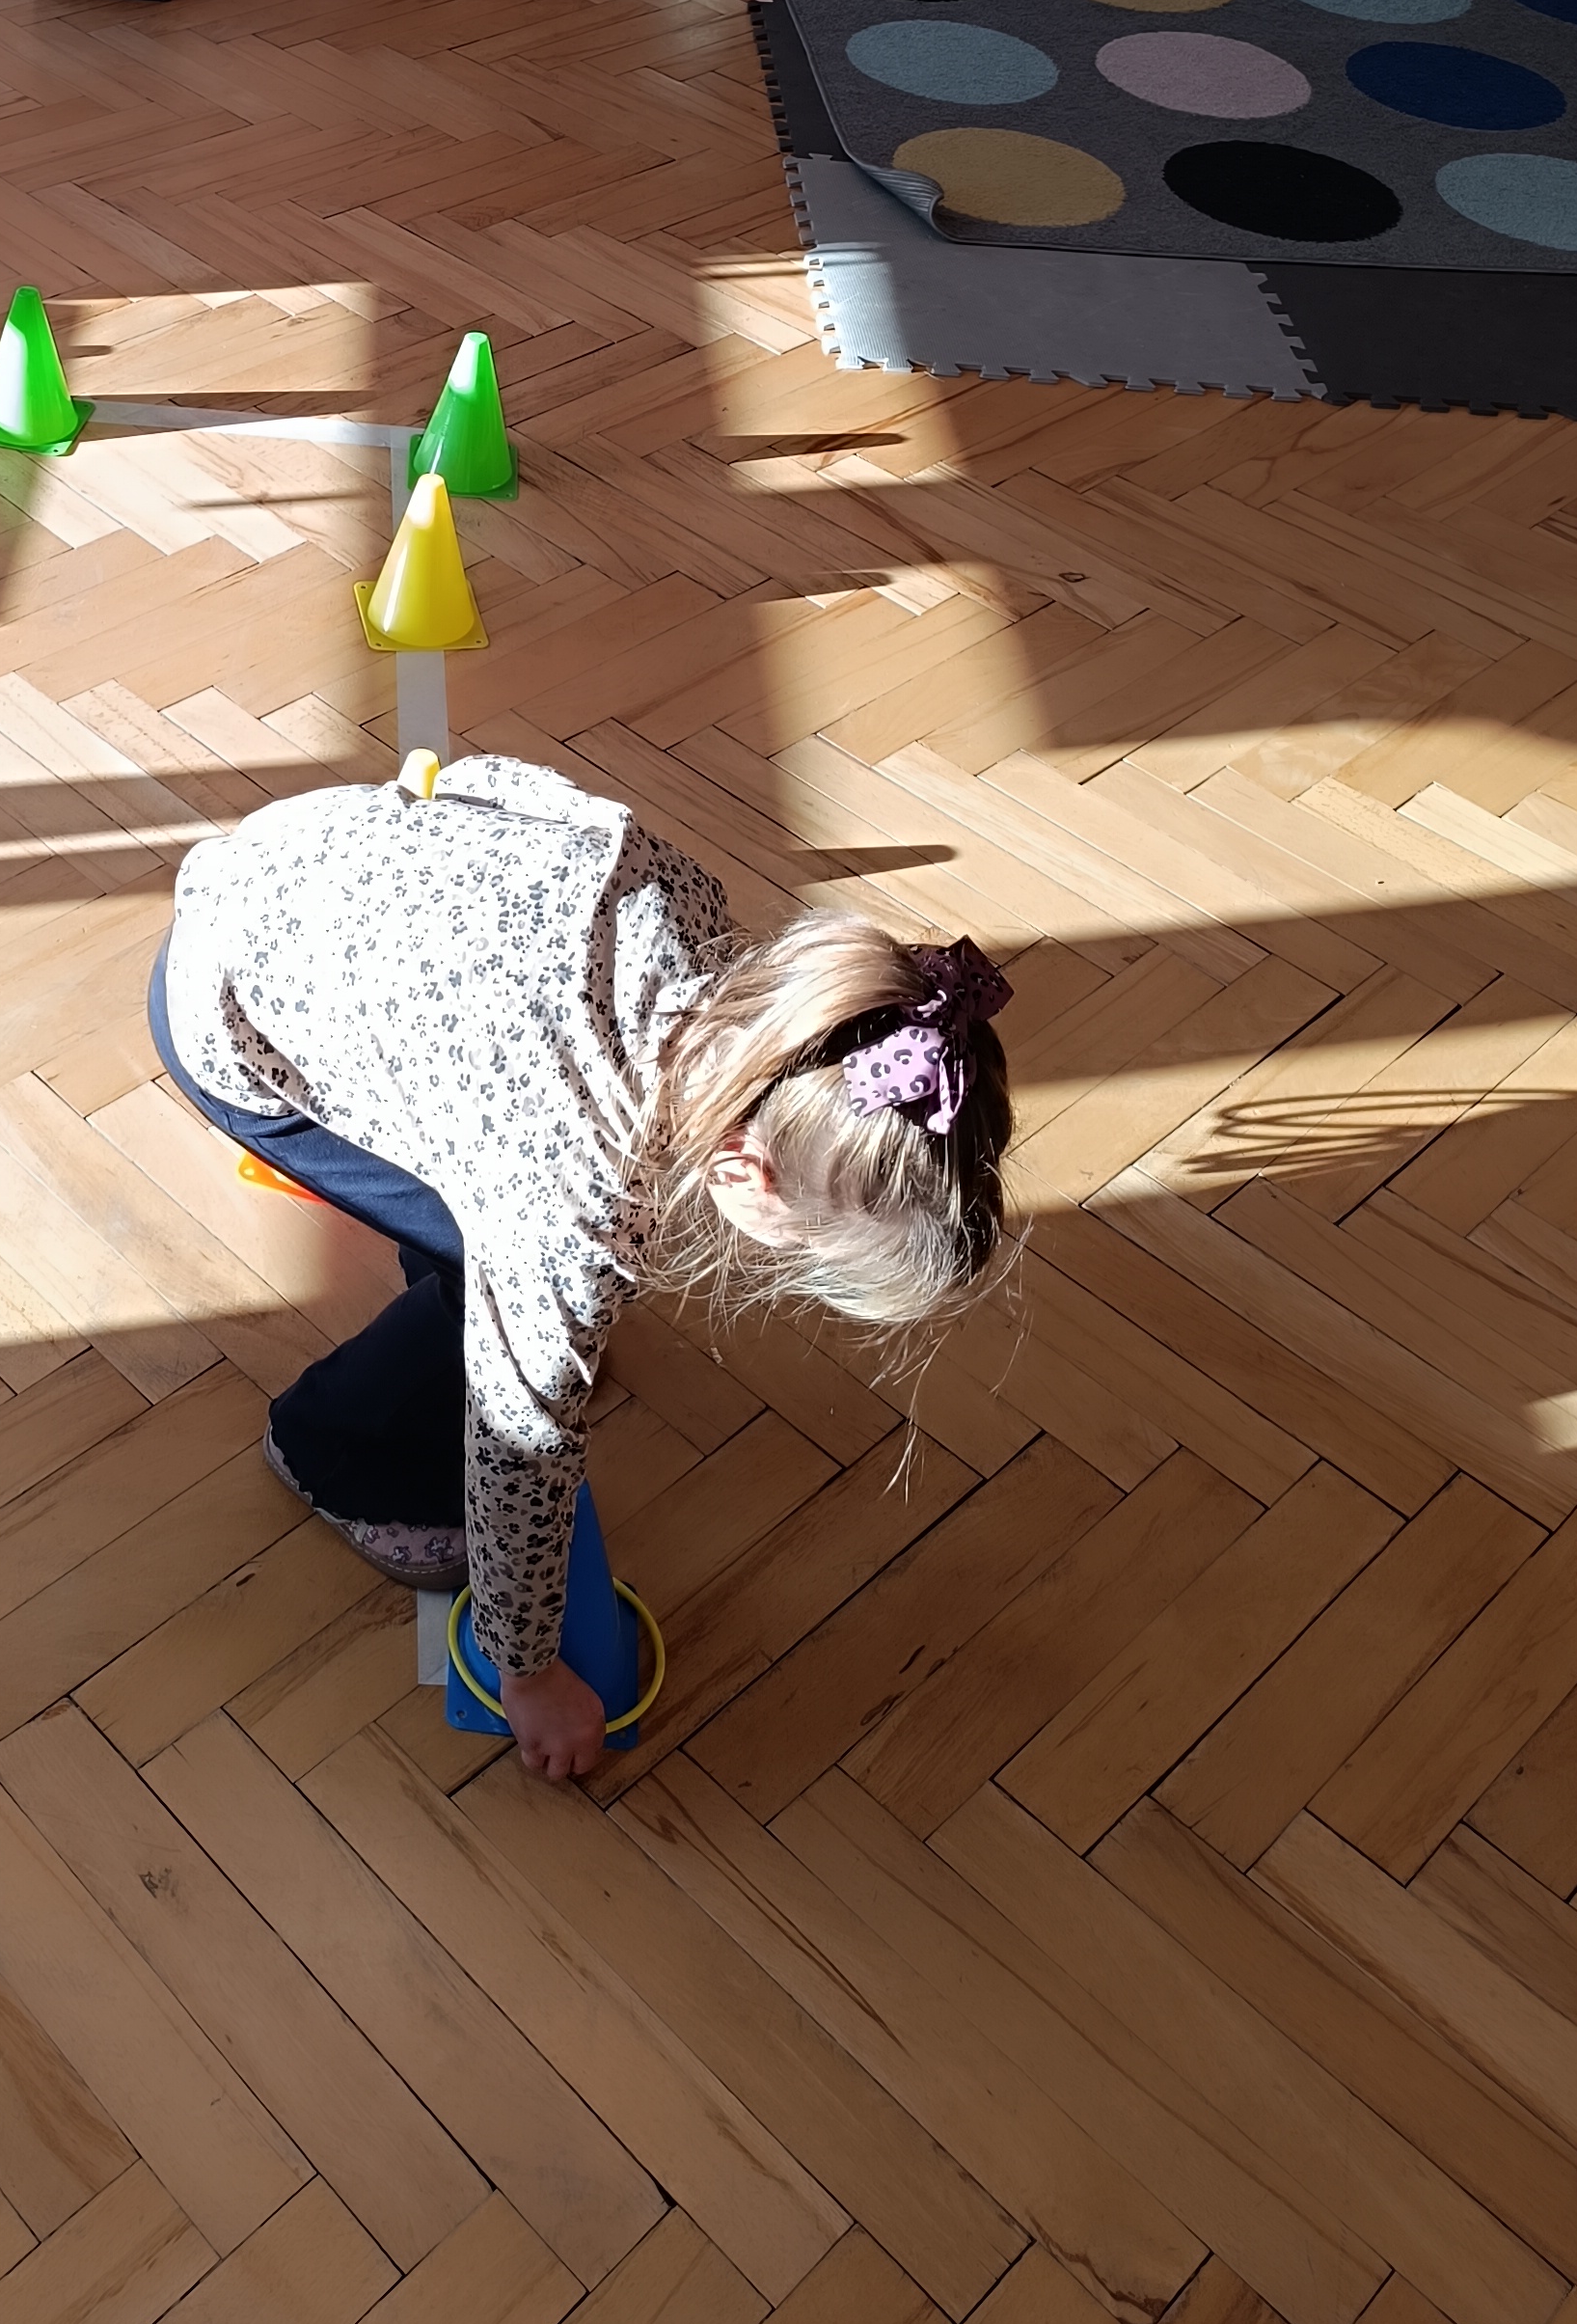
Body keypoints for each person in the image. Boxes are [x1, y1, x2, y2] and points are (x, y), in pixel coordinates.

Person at [152, 751, 1012, 1782]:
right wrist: (527, 1672)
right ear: (743, 1170)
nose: (796, 1261)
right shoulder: (574, 1215)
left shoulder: (699, 920)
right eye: (808, 1244)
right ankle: (331, 1449)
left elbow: (515, 788)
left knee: (518, 1278)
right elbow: (519, 1446)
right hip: (234, 1024)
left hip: (290, 864)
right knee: (487, 1302)